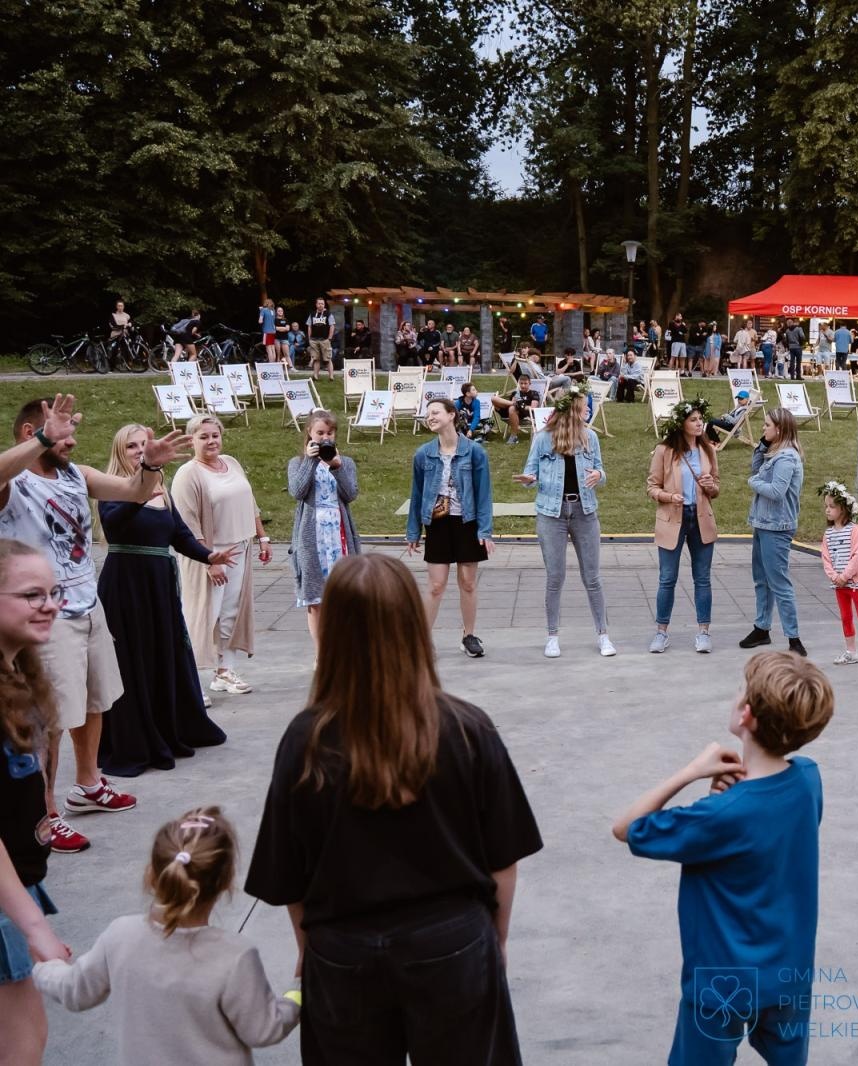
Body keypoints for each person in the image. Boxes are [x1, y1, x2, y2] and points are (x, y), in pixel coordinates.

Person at [244, 554, 542, 1064]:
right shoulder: (467, 729)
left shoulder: (305, 741)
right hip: (452, 942)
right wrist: (496, 940)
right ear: (412, 626)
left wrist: (307, 950)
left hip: (343, 950)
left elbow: (290, 881)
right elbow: (502, 861)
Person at [614, 652, 833, 1064]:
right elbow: (760, 832)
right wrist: (725, 798)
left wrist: (692, 771)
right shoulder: (808, 778)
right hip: (790, 972)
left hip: (721, 981)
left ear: (746, 715)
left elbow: (626, 827)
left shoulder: (717, 818)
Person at [1, 397, 190, 853]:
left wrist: (149, 468)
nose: (72, 440)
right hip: (44, 615)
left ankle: (87, 785)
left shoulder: (75, 474)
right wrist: (49, 435)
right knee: (49, 720)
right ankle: (44, 812)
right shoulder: (15, 483)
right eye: (63, 433)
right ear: (32, 434)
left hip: (88, 603)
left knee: (94, 700)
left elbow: (132, 492)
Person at [33, 807, 301, 1062]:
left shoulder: (120, 935)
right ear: (226, 883)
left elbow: (75, 991)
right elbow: (265, 1029)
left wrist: (43, 967)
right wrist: (299, 990)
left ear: (152, 874)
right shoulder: (235, 956)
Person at [98, 425, 231, 778]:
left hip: (159, 586)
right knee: (133, 658)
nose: (140, 451)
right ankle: (135, 739)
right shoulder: (114, 487)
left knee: (164, 652)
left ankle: (173, 726)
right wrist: (140, 488)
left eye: (144, 444)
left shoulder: (161, 489)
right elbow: (113, 524)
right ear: (119, 451)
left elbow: (179, 535)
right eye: (131, 446)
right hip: (126, 585)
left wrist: (209, 556)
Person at [0, 539, 72, 1064]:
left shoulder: (19, 671)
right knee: (23, 1041)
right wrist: (33, 925)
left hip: (17, 884)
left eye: (53, 592)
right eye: (31, 594)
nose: (49, 604)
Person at [171, 415, 270, 697]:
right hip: (207, 556)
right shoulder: (188, 474)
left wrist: (262, 537)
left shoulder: (232, 463)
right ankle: (189, 684)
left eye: (215, 435)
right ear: (192, 440)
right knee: (201, 615)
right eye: (203, 437)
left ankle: (224, 672)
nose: (211, 441)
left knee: (230, 613)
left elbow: (251, 504)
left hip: (239, 549)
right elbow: (187, 523)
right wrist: (209, 559)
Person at [515, 378, 613, 658]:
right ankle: (552, 636)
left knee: (592, 577)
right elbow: (529, 474)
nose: (587, 412)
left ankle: (603, 635)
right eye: (583, 408)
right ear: (571, 410)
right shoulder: (543, 438)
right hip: (551, 513)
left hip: (584, 511)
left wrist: (599, 475)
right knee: (555, 577)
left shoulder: (590, 437)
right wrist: (528, 479)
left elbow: (600, 471)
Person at [406, 397, 493, 657]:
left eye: (436, 412)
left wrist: (485, 530)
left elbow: (484, 493)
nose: (430, 417)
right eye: (428, 414)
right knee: (436, 585)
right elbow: (417, 493)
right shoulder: (423, 454)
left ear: (452, 415)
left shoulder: (475, 452)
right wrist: (414, 531)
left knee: (467, 582)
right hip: (438, 523)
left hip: (467, 522)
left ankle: (469, 636)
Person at [646, 399, 719, 655]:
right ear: (682, 423)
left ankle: (703, 632)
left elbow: (716, 488)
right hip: (673, 518)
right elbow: (652, 487)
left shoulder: (708, 449)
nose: (699, 424)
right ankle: (661, 632)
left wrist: (711, 485)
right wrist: (669, 497)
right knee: (667, 578)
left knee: (703, 578)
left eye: (701, 419)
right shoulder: (664, 450)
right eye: (693, 420)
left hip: (700, 518)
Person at [287, 412, 360, 648]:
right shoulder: (297, 462)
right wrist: (310, 461)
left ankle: (342, 647)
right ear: (309, 432)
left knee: (344, 595)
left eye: (329, 433)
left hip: (339, 535)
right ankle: (321, 652)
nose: (325, 438)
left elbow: (350, 495)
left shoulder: (345, 462)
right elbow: (297, 492)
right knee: (315, 599)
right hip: (312, 535)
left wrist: (337, 467)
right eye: (320, 433)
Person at [739, 409, 806, 656]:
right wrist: (762, 444)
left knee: (779, 582)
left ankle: (793, 638)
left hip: (777, 526)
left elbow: (776, 491)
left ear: (780, 429)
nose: (763, 429)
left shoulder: (787, 458)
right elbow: (755, 466)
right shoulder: (773, 453)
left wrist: (753, 483)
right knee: (761, 579)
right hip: (763, 523)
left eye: (767, 426)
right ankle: (761, 628)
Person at [817, 480, 858, 670]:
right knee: (845, 616)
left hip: (856, 582)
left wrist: (845, 575)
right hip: (840, 584)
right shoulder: (828, 534)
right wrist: (834, 576)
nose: (827, 510)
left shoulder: (855, 531)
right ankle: (851, 651)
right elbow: (826, 556)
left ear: (843, 509)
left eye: (831, 506)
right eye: (826, 506)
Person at [491, 373, 541, 445]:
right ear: (519, 383)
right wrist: (515, 403)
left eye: (525, 383)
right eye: (521, 383)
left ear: (529, 383)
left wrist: (522, 406)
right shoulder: (515, 393)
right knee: (493, 398)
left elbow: (533, 408)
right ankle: (515, 404)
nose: (523, 385)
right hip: (510, 411)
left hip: (523, 413)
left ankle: (514, 436)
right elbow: (509, 404)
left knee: (512, 408)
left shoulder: (533, 393)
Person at [306, 298, 335, 380]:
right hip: (314, 340)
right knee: (316, 359)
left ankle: (331, 376)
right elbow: (309, 326)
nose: (320, 305)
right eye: (319, 303)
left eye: (322, 303)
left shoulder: (328, 314)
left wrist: (330, 338)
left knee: (328, 359)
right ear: (316, 304)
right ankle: (315, 376)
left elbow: (332, 326)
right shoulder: (312, 314)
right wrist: (309, 338)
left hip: (325, 340)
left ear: (324, 305)